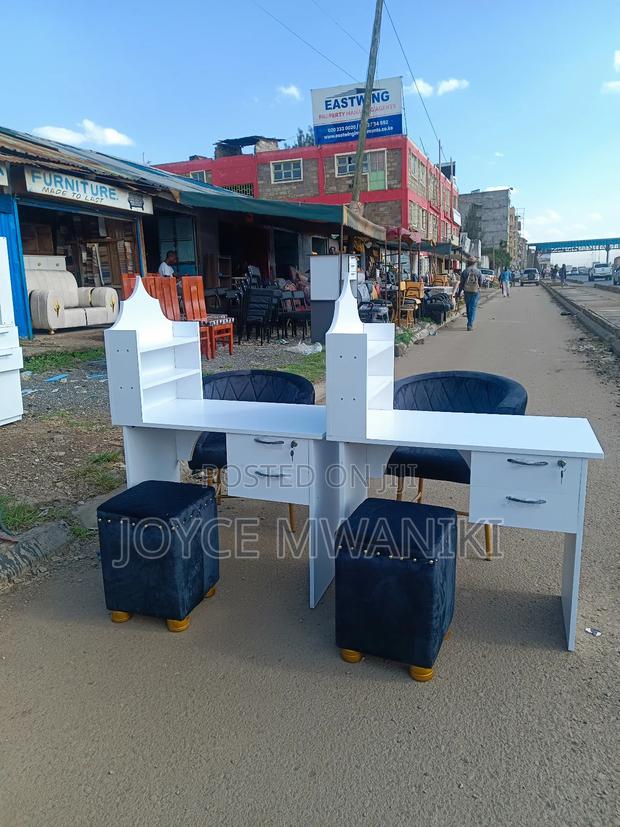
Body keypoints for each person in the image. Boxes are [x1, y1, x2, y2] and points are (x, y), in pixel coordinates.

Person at [456, 257, 483, 331]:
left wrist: (459, 293)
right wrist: (478, 287)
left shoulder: (465, 271)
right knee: (473, 307)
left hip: (467, 291)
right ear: (475, 263)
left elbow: (461, 284)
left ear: (468, 263)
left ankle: (469, 322)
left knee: (468, 307)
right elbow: (481, 282)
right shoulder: (478, 271)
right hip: (475, 291)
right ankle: (470, 324)